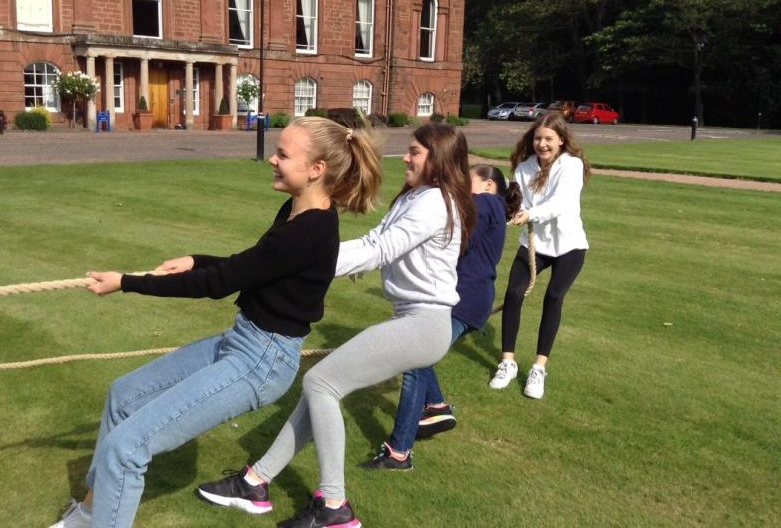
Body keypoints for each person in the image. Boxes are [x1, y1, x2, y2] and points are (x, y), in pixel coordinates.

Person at [47, 116, 383, 528]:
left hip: (261, 362)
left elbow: (220, 284)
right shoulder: (297, 213)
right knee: (124, 396)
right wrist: (196, 260)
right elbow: (251, 267)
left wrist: (128, 282)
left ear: (317, 170)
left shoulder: (308, 232)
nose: (272, 160)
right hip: (244, 342)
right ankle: (91, 514)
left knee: (127, 448)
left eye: (283, 154)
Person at [197, 123, 476, 528]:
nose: (407, 158)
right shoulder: (417, 197)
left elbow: (381, 249)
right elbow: (375, 241)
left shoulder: (435, 202)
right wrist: (308, 258)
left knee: (320, 383)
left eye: (415, 152)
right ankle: (255, 482)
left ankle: (334, 508)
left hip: (425, 323)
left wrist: (307, 259)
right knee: (322, 388)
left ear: (439, 159)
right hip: (415, 320)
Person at [361, 164, 522, 470]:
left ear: (488, 185)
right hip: (467, 299)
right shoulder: (493, 207)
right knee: (419, 356)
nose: (462, 182)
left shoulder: (486, 203)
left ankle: (400, 452)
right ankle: (436, 406)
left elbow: (456, 236)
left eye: (469, 178)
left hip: (463, 299)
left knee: (414, 360)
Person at [489, 112, 590, 399]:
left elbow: (562, 202)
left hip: (569, 246)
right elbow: (514, 198)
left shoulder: (571, 166)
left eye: (548, 139)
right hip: (534, 244)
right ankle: (507, 362)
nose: (542, 144)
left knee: (554, 297)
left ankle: (538, 368)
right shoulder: (524, 168)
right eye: (537, 138)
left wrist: (531, 213)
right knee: (513, 294)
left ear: (561, 140)